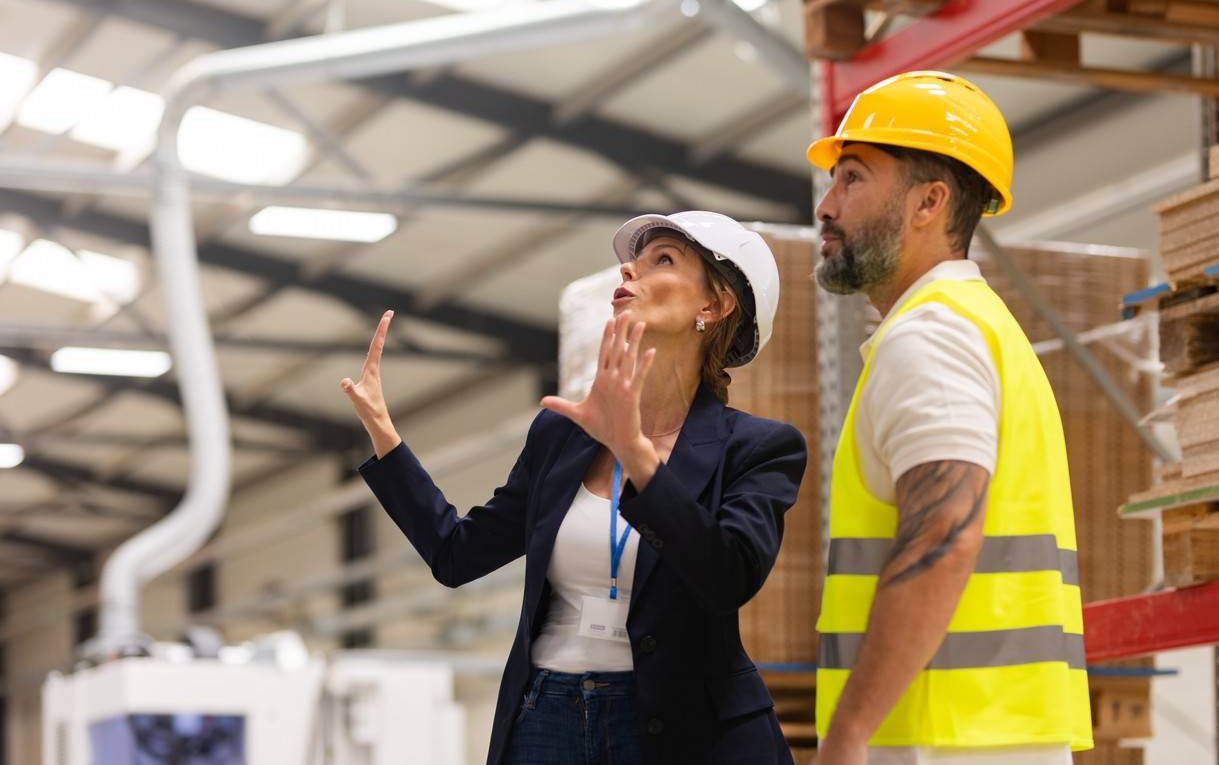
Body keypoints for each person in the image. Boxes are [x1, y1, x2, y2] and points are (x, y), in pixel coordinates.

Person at [340, 210, 808, 765]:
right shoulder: (563, 436)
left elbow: (727, 574)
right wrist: (385, 436)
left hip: (682, 730)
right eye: (633, 259)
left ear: (714, 304)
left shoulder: (759, 448)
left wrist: (635, 453)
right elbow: (455, 554)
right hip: (547, 719)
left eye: (663, 259)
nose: (630, 270)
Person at [805, 71, 1093, 765]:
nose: (825, 205)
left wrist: (849, 734)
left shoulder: (931, 336)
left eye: (852, 178)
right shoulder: (980, 328)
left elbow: (944, 536)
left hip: (938, 738)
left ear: (928, 202)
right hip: (984, 734)